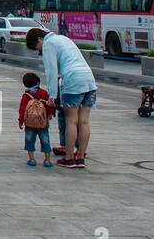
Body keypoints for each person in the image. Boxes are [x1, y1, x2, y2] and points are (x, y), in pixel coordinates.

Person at [25, 27, 96, 168]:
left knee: (71, 121)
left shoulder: (48, 43)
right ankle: (80, 157)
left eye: (37, 47)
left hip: (73, 80)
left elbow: (51, 70)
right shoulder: (64, 38)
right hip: (89, 79)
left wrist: (52, 94)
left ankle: (69, 158)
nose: (39, 50)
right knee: (84, 121)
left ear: (40, 39)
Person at [18, 72, 54, 168]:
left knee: (29, 139)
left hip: (29, 123)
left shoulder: (26, 96)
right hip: (43, 121)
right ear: (38, 82)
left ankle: (32, 159)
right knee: (45, 139)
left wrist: (21, 121)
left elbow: (22, 110)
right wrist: (50, 114)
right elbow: (48, 104)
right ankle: (47, 160)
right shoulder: (43, 93)